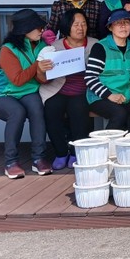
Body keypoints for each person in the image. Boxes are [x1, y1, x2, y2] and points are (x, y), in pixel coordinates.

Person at [0, 9, 54, 179]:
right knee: (17, 112)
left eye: (42, 27)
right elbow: (17, 80)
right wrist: (38, 66)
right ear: (25, 30)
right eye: (38, 27)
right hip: (3, 94)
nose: (42, 30)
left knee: (37, 109)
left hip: (28, 91)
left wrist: (45, 72)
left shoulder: (42, 47)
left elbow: (43, 79)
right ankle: (11, 161)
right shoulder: (7, 50)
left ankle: (38, 158)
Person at [39, 9, 98, 170]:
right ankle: (60, 152)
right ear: (67, 27)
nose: (80, 28)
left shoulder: (95, 44)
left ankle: (75, 152)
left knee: (79, 110)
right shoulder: (55, 47)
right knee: (51, 108)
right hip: (58, 88)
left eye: (83, 24)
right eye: (76, 25)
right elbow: (44, 75)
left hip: (83, 89)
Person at [85, 9, 130, 132]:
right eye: (118, 23)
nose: (123, 26)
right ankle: (106, 143)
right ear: (110, 27)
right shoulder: (100, 47)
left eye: (126, 22)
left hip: (126, 96)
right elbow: (90, 77)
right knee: (119, 114)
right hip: (100, 97)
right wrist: (109, 95)